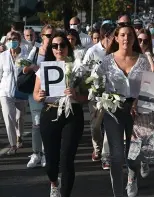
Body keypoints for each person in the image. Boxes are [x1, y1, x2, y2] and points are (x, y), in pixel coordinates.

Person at [96, 23, 151, 197]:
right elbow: (97, 86)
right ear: (117, 38)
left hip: (137, 111)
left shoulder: (142, 61)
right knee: (116, 155)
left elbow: (149, 87)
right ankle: (118, 193)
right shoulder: (106, 61)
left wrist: (138, 100)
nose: (126, 38)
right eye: (122, 35)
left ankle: (133, 175)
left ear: (134, 38)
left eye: (129, 35)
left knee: (132, 155)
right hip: (113, 110)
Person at [33, 31, 87, 197]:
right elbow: (35, 94)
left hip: (72, 113)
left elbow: (87, 97)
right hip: (50, 112)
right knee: (51, 163)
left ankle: (65, 194)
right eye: (55, 46)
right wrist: (39, 96)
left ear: (67, 47)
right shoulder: (44, 69)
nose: (59, 49)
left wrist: (76, 95)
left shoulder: (78, 68)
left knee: (67, 160)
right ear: (51, 48)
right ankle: (54, 183)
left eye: (62, 45)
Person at [83, 23, 115, 170]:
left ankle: (105, 156)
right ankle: (97, 147)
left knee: (109, 126)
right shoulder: (92, 51)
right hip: (95, 95)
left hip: (112, 95)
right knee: (96, 126)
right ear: (106, 36)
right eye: (114, 35)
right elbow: (84, 71)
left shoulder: (117, 51)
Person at [24, 24, 56, 168]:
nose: (51, 38)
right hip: (36, 92)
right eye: (48, 35)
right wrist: (32, 67)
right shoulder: (35, 50)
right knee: (36, 124)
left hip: (53, 93)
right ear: (42, 36)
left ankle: (45, 154)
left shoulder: (57, 49)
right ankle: (36, 153)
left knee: (49, 124)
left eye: (53, 35)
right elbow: (24, 68)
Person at [0, 31, 29, 155]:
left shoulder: (25, 55)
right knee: (8, 118)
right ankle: (13, 145)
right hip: (5, 92)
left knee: (19, 117)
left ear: (19, 40)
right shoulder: (2, 56)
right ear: (7, 41)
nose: (12, 41)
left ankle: (19, 136)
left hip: (20, 92)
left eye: (15, 39)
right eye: (10, 39)